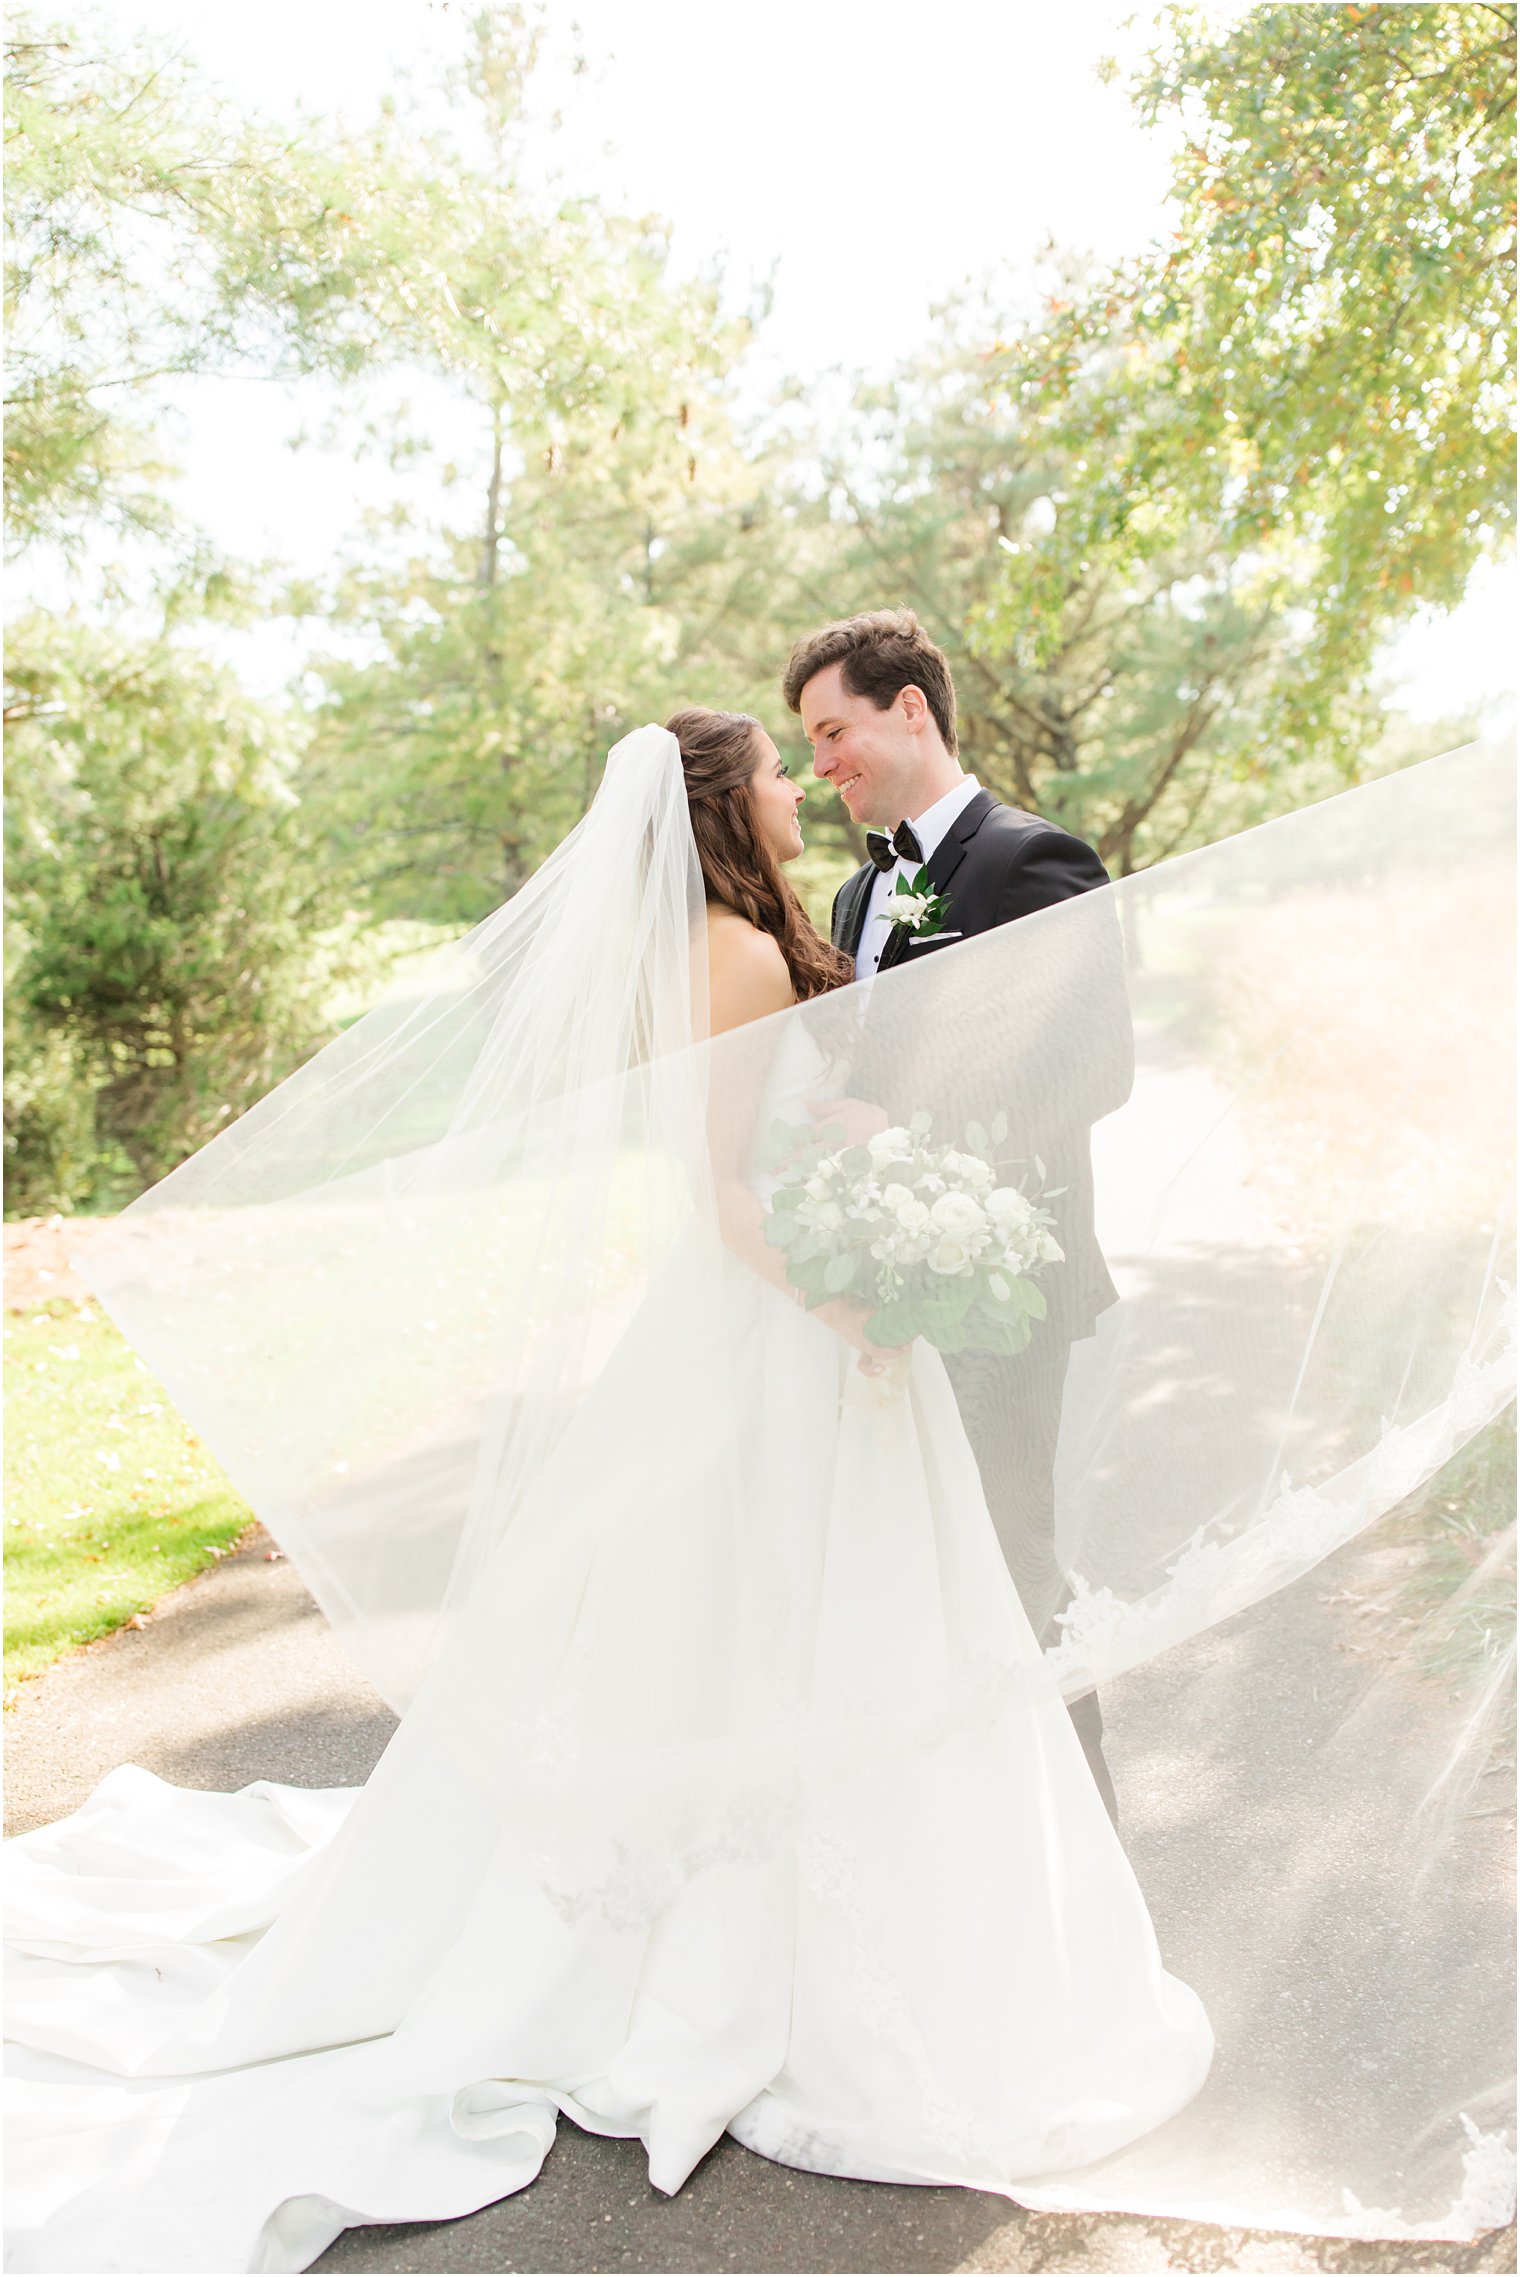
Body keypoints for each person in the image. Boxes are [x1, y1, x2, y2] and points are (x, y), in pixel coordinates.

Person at [4, 711, 1213, 2277]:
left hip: (817, 1329)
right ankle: (738, 1949)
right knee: (767, 1613)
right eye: (779, 768)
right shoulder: (726, 949)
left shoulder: (766, 929)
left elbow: (798, 1128)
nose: (798, 783)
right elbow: (723, 1190)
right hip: (778, 1331)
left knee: (843, 1614)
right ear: (724, 806)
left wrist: (867, 1188)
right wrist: (850, 1297)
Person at [784, 609, 1131, 1819]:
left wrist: (906, 1137)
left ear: (910, 709)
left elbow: (1094, 1072)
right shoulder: (848, 900)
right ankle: (965, 1841)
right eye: (808, 744)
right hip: (884, 1296)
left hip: (1004, 1291)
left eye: (833, 731)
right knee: (915, 1573)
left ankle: (1085, 1849)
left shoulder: (1033, 861)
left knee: (1015, 1569)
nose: (820, 762)